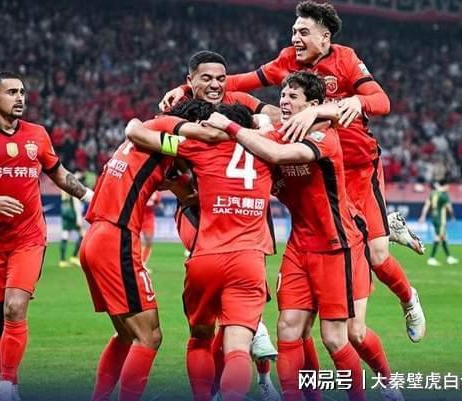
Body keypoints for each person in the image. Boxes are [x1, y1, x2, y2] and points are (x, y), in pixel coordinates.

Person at [160, 0, 426, 343]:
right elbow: (238, 82)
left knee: (377, 255)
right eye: (293, 31)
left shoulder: (345, 59)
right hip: (320, 169)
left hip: (359, 168)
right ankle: (377, 227)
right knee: (331, 327)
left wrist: (354, 102)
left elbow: (382, 102)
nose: (295, 38)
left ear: (325, 37)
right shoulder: (287, 61)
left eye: (303, 32)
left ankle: (409, 299)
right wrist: (186, 89)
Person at [205, 71, 404, 401]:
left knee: (336, 337)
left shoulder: (325, 136)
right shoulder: (281, 134)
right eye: (283, 95)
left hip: (336, 245)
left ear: (313, 105)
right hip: (300, 246)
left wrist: (230, 127)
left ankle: (379, 387)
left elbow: (278, 156)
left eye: (293, 96)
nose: (284, 101)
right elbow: (254, 141)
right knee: (288, 327)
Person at [0, 71, 94, 401]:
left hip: (29, 238)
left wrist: (92, 198)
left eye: (22, 92)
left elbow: (60, 175)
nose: (20, 98)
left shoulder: (37, 135)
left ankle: (5, 384)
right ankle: (10, 385)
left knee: (15, 307)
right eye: (12, 92)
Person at [79, 101, 230, 401]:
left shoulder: (149, 143)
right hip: (116, 238)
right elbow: (196, 147)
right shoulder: (165, 128)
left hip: (97, 236)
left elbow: (186, 192)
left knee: (127, 334)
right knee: (149, 336)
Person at [126, 103, 275, 401]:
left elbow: (137, 133)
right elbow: (273, 125)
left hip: (206, 258)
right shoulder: (269, 147)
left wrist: (182, 128)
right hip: (248, 260)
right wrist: (255, 125)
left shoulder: (198, 147)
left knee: (199, 339)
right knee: (237, 349)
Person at [419, 180, 459, 266]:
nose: (448, 187)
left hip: (434, 218)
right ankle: (431, 258)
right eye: (447, 186)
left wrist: (423, 216)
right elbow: (449, 207)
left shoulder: (432, 193)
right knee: (438, 237)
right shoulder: (444, 195)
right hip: (441, 219)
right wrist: (452, 217)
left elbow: (427, 205)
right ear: (444, 185)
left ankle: (449, 257)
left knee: (443, 237)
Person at [59, 176, 86, 268]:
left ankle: (62, 260)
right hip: (72, 214)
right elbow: (76, 203)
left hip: (64, 212)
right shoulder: (73, 187)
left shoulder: (63, 187)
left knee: (65, 235)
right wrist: (79, 218)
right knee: (83, 235)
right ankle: (74, 257)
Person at [140, 191, 160, 270]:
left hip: (149, 218)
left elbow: (157, 206)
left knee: (149, 241)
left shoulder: (156, 193)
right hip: (138, 215)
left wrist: (154, 203)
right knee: (134, 241)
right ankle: (134, 262)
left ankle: (143, 263)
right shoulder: (141, 189)